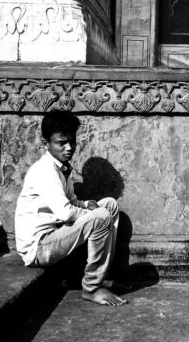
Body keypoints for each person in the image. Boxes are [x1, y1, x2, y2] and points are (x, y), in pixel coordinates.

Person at [14, 110, 127, 306]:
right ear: (46, 144)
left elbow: (71, 202)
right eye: (61, 143)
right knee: (101, 216)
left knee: (109, 204)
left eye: (72, 142)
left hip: (55, 234)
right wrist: (93, 214)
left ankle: (102, 273)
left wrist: (84, 205)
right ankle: (92, 288)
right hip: (39, 248)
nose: (69, 148)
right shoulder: (44, 171)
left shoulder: (62, 167)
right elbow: (65, 212)